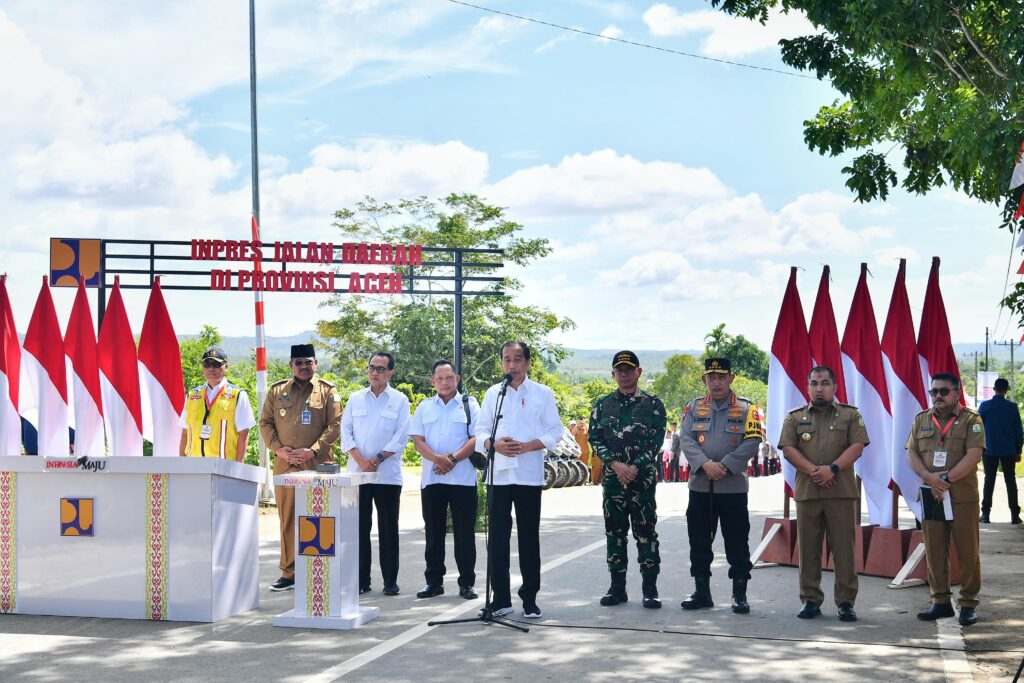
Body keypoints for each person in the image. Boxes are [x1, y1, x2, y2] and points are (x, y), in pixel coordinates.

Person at [475, 341, 564, 619]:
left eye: (516, 360)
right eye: (506, 360)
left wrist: (530, 445)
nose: (511, 365)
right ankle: (500, 599)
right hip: (498, 476)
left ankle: (530, 599)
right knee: (498, 540)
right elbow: (478, 431)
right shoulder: (493, 394)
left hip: (527, 475)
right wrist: (493, 444)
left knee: (528, 539)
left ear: (527, 363)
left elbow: (555, 431)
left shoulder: (542, 393)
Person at [779, 366, 867, 622]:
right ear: (807, 387)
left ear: (835, 387)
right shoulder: (794, 417)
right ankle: (810, 600)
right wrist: (814, 471)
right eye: (814, 383)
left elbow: (858, 445)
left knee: (844, 549)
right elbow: (788, 448)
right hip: (808, 491)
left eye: (825, 383)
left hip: (840, 492)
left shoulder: (850, 415)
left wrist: (833, 469)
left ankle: (846, 602)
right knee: (808, 548)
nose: (819, 388)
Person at [679, 358, 763, 614]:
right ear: (704, 379)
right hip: (701, 487)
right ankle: (702, 591)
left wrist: (724, 465)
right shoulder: (693, 408)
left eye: (721, 377)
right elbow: (686, 438)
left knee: (737, 541)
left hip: (733, 488)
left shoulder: (747, 409)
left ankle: (739, 595)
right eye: (710, 377)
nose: (716, 382)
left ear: (731, 378)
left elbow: (752, 440)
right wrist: (705, 465)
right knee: (699, 541)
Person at [259, 344, 342, 592]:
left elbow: (335, 425)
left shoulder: (328, 391)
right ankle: (289, 572)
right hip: (285, 464)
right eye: (299, 362)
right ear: (291, 365)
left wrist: (313, 450)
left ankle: (319, 570)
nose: (304, 367)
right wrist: (278, 449)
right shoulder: (277, 391)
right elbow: (265, 423)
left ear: (315, 363)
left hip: (318, 465)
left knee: (318, 517)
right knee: (287, 518)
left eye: (308, 362)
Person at [589, 351, 667, 609]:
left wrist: (634, 466)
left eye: (628, 369)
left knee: (646, 533)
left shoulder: (653, 404)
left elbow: (656, 440)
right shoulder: (602, 405)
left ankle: (650, 588)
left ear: (639, 372)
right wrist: (616, 465)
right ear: (613, 373)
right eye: (619, 370)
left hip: (642, 479)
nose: (624, 374)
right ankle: (617, 588)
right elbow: (595, 439)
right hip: (613, 480)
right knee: (615, 533)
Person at [906, 372, 984, 626]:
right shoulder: (922, 419)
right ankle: (940, 602)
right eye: (934, 392)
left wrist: (945, 480)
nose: (937, 396)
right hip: (932, 496)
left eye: (943, 391)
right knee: (935, 549)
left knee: (967, 551)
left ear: (956, 392)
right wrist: (929, 478)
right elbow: (912, 454)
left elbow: (973, 455)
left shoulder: (971, 420)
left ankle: (968, 603)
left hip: (961, 497)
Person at [342, 351, 411, 597]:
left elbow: (401, 436)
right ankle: (362, 579)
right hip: (358, 474)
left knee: (388, 529)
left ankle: (390, 580)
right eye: (372, 367)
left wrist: (377, 459)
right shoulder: (355, 399)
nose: (375, 373)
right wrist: (361, 460)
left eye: (381, 369)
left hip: (387, 476)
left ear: (390, 373)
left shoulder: (400, 400)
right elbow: (346, 433)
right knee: (359, 528)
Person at [409, 359, 479, 600]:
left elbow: (475, 439)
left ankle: (467, 583)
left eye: (449, 378)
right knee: (433, 533)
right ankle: (434, 582)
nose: (445, 382)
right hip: (432, 480)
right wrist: (438, 459)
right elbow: (417, 440)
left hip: (463, 480)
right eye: (439, 378)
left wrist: (452, 459)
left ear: (457, 379)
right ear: (433, 382)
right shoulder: (424, 407)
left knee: (465, 534)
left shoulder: (470, 405)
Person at [179, 346, 256, 461]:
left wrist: (238, 469)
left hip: (224, 467)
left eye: (216, 364)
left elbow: (243, 434)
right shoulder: (192, 395)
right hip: (193, 465)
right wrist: (182, 464)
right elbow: (185, 432)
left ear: (226, 367)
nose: (211, 369)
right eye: (207, 365)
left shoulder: (238, 395)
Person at [978, 377, 1022, 525]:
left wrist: (978, 447)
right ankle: (1015, 516)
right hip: (1009, 450)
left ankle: (985, 515)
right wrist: (1018, 450)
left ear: (994, 389)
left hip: (989, 450)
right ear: (1006, 390)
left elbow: (977, 429)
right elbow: (1018, 430)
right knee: (1010, 481)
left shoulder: (985, 406)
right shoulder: (1012, 407)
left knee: (988, 481)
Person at [570, 419, 592, 483]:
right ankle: (577, 479)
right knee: (577, 465)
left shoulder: (586, 428)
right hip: (577, 451)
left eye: (583, 423)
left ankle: (586, 479)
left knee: (585, 465)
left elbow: (590, 435)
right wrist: (577, 427)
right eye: (580, 423)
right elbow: (572, 435)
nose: (582, 424)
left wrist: (585, 427)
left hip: (585, 450)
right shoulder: (575, 429)